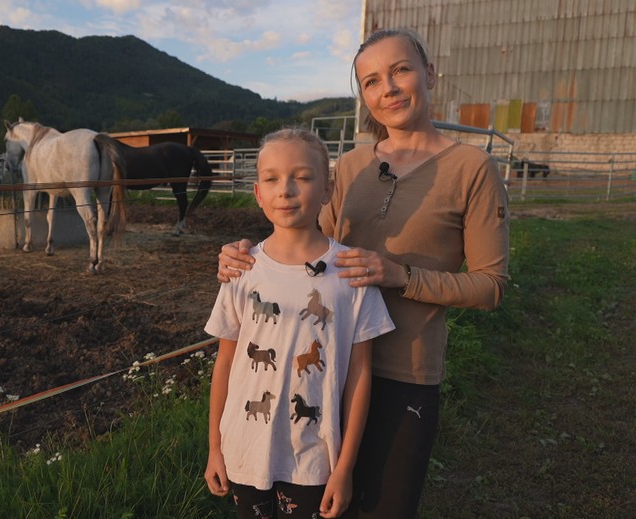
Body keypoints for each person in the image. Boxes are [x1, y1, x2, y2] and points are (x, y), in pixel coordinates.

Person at [216, 28, 510, 518]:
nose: (388, 88)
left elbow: (492, 287)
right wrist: (246, 254)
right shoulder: (349, 167)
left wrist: (402, 276)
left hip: (404, 374)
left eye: (400, 71)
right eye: (371, 81)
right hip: (324, 377)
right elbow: (308, 248)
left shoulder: (471, 168)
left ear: (429, 74)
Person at [204, 127, 396, 519]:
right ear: (258, 194)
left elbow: (360, 376)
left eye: (303, 177)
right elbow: (225, 365)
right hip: (244, 450)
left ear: (327, 190)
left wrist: (343, 468)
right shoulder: (242, 271)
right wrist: (215, 448)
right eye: (271, 179)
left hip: (313, 460)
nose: (286, 190)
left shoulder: (350, 274)